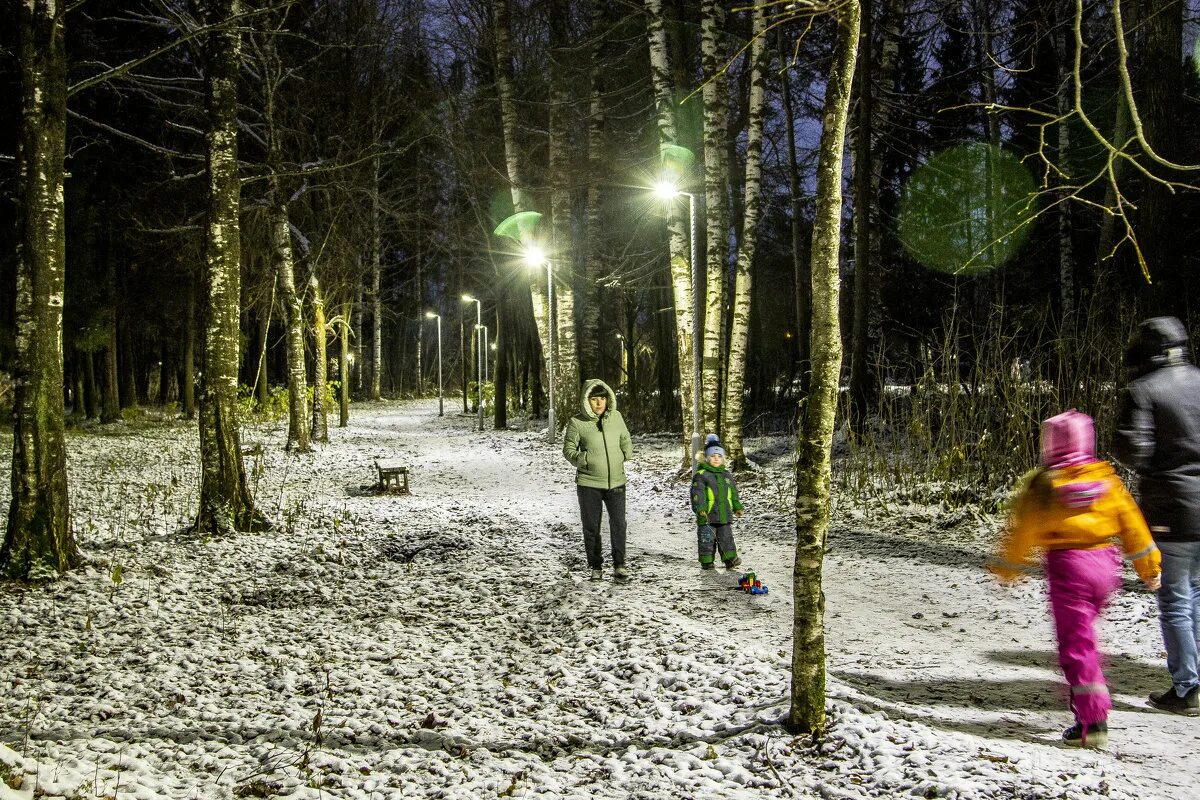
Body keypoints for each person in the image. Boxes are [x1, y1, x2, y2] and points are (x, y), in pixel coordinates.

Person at [991, 410, 1161, 749]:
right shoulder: (1106, 480)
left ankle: (1092, 720)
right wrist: (1150, 566)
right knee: (1085, 641)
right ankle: (1085, 703)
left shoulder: (1046, 485)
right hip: (1104, 567)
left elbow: (1025, 530)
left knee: (1077, 646)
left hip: (1068, 568)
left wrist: (1009, 566)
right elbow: (1132, 524)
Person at [1115, 316, 1200, 716]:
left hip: (1172, 506)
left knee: (1175, 600)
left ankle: (1188, 687)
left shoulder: (1143, 390)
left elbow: (1136, 451)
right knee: (1196, 595)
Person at [562, 379, 633, 582]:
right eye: (594, 399)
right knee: (592, 526)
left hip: (616, 482)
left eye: (602, 398)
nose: (599, 403)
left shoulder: (616, 417)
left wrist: (626, 453)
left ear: (608, 399)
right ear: (587, 401)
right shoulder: (577, 422)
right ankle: (596, 566)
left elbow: (625, 438)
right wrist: (584, 459)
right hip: (589, 484)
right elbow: (568, 450)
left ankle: (619, 564)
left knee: (619, 524)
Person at [691, 434, 745, 570]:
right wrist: (700, 508)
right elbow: (697, 493)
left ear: (723, 458)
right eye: (713, 456)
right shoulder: (701, 475)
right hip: (707, 515)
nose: (716, 458)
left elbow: (733, 493)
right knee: (707, 539)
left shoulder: (726, 475)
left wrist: (737, 506)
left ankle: (730, 559)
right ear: (706, 457)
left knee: (726, 538)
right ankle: (707, 561)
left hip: (724, 514)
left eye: (719, 456)